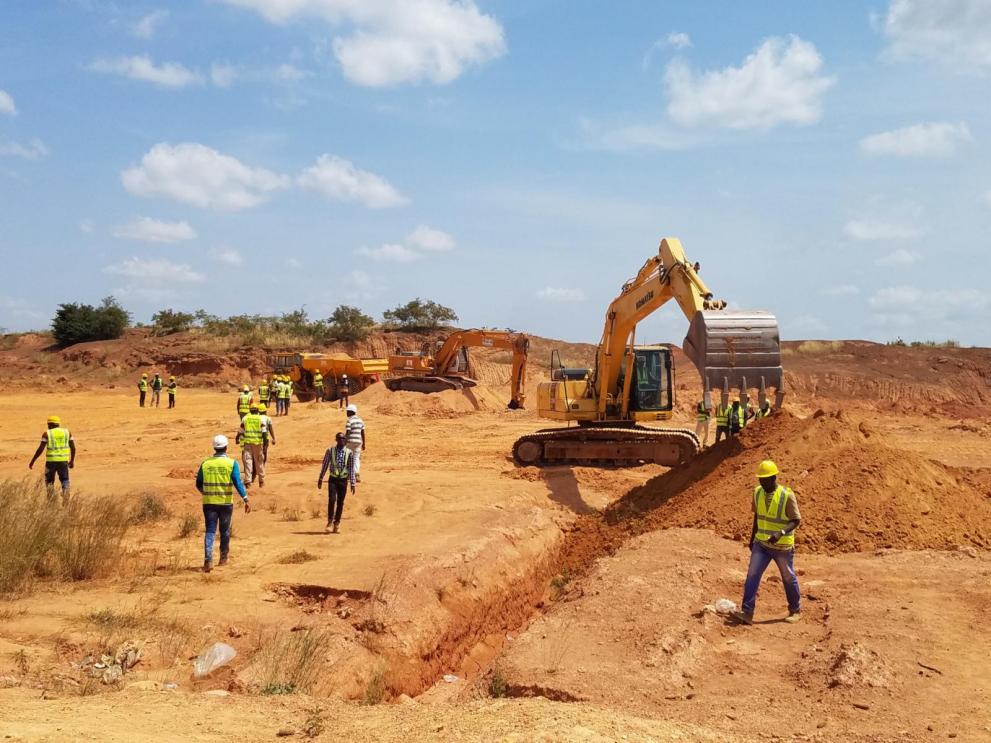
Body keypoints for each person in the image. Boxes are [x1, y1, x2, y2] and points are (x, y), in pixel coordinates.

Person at [732, 460, 802, 625]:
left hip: (782, 546)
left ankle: (795, 610)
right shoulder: (757, 493)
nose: (762, 483)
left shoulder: (786, 495)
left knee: (787, 577)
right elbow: (757, 517)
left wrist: (780, 533)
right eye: (760, 479)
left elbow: (796, 520)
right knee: (752, 575)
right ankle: (747, 612)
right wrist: (752, 539)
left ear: (774, 477)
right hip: (761, 544)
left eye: (766, 479)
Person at [195, 434, 249, 573]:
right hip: (225, 504)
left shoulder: (206, 463)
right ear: (226, 447)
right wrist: (245, 498)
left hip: (209, 504)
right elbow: (237, 482)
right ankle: (223, 558)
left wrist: (205, 493)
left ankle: (208, 560)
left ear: (214, 447)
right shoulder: (231, 463)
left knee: (210, 531)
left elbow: (198, 483)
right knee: (224, 531)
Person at [28, 415, 76, 504]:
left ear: (49, 424)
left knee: (49, 481)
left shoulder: (47, 433)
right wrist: (72, 460)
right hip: (63, 461)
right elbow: (73, 448)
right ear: (58, 424)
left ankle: (51, 500)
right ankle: (66, 494)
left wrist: (32, 461)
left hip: (51, 462)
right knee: (65, 479)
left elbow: (40, 450)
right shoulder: (67, 432)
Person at [317, 432, 356, 533]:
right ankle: (330, 522)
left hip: (343, 480)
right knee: (332, 499)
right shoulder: (330, 451)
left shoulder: (349, 453)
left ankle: (337, 523)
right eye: (339, 439)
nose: (341, 441)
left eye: (343, 439)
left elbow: (351, 468)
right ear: (336, 440)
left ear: (346, 440)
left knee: (340, 503)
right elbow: (325, 464)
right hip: (333, 479)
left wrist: (352, 483)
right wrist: (321, 478)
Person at [236, 403, 267, 488]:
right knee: (259, 462)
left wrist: (237, 438)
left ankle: (248, 481)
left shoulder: (245, 418)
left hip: (248, 443)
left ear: (250, 410)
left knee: (248, 462)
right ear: (257, 410)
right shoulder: (260, 419)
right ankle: (261, 481)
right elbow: (264, 433)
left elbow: (241, 430)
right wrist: (265, 444)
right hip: (257, 444)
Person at [344, 404, 366, 482]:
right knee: (356, 458)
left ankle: (347, 475)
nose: (346, 413)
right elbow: (363, 432)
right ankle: (356, 475)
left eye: (347, 411)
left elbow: (348, 432)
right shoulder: (361, 420)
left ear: (350, 412)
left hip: (350, 441)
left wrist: (344, 441)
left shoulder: (349, 421)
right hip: (358, 442)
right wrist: (364, 443)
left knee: (347, 457)